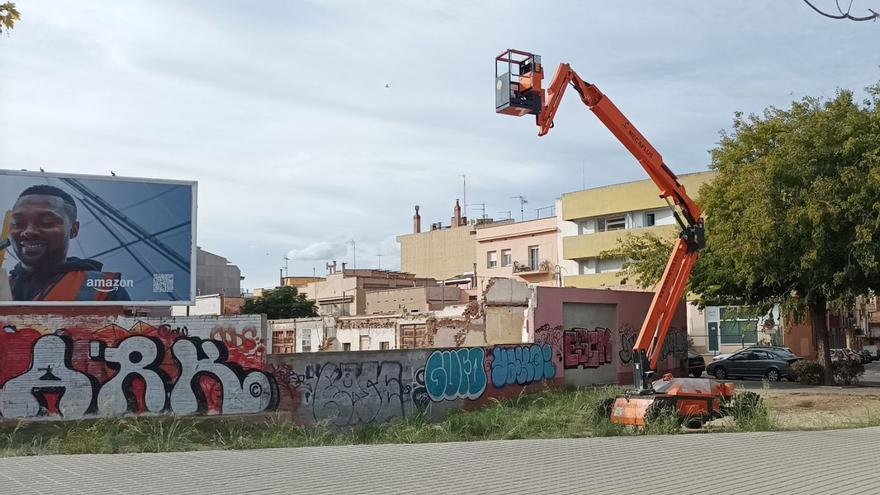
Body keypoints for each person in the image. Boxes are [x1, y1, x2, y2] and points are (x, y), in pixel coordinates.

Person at [6, 184, 130, 302]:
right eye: (17, 223)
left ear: (73, 230)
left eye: (46, 222)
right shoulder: (5, 284)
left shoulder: (104, 288)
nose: (28, 231)